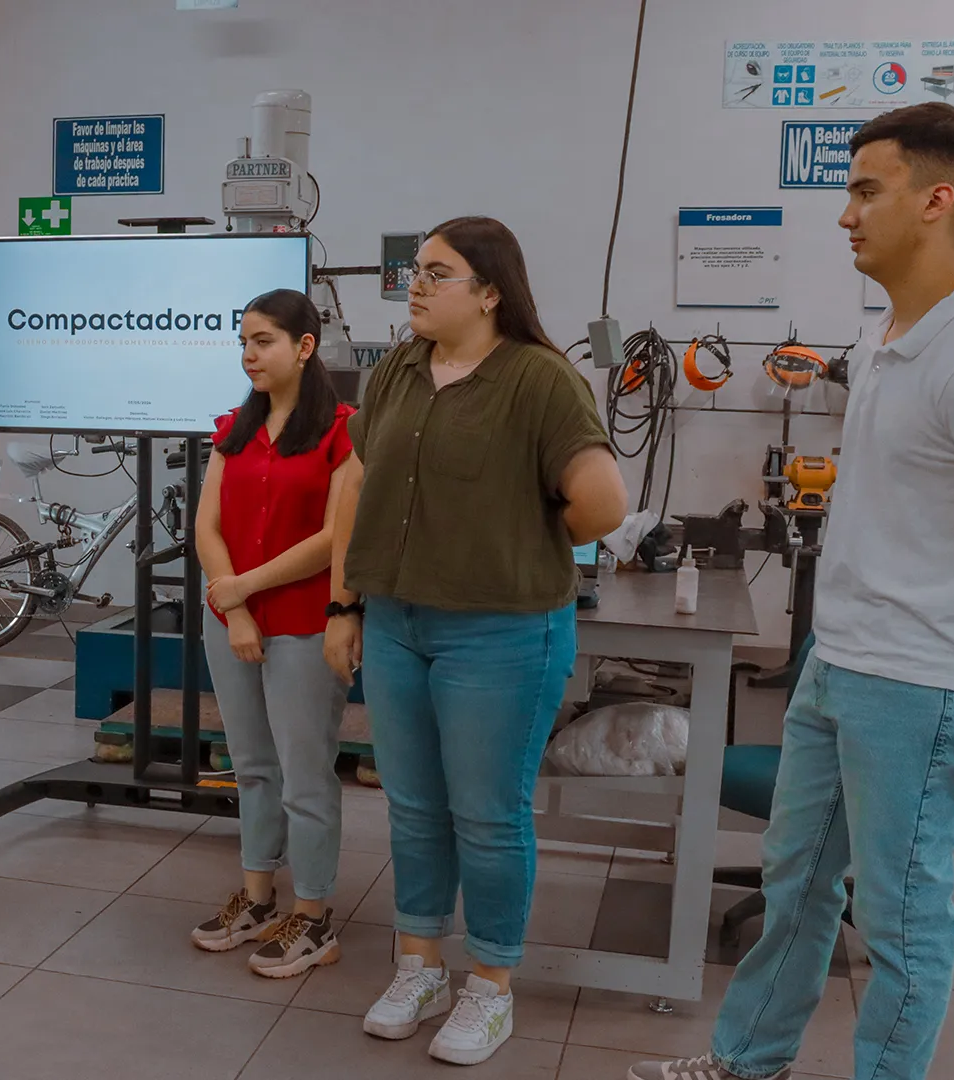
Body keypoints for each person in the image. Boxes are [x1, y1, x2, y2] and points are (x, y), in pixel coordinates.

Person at [632, 103, 954, 1080]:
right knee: (798, 883)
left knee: (901, 919)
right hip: (842, 664)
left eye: (867, 190)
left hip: (924, 681)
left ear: (937, 201)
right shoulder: (894, 335)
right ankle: (750, 1060)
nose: (845, 214)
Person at [324, 217, 627, 1065]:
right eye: (416, 272)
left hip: (501, 631)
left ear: (490, 292)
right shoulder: (398, 372)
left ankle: (489, 985)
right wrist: (343, 603)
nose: (416, 286)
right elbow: (357, 479)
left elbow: (601, 504)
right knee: (414, 808)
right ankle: (419, 964)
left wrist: (518, 535)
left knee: (488, 817)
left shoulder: (539, 379)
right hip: (396, 622)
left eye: (438, 274)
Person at [189, 288, 357, 979]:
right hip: (233, 621)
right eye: (244, 341)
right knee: (252, 766)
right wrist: (236, 608)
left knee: (306, 775)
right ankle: (258, 898)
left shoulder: (342, 431)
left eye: (263, 341)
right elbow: (207, 527)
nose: (249, 354)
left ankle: (314, 917)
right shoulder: (233, 428)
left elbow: (334, 538)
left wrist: (247, 592)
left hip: (303, 622)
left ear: (305, 347)